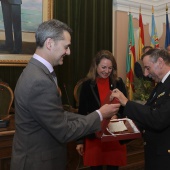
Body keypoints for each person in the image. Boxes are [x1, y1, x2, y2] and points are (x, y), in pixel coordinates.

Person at [10, 19, 120, 170]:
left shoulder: (37, 72)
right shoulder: (38, 80)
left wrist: (97, 114)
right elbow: (63, 131)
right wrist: (100, 115)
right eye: (66, 46)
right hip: (38, 162)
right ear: (50, 43)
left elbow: (58, 115)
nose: (68, 52)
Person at [111, 48, 170, 170]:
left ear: (160, 62)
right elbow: (146, 117)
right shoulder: (160, 86)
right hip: (154, 154)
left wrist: (127, 103)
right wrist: (116, 131)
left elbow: (158, 119)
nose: (145, 74)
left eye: (148, 68)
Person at [76, 50, 127, 170]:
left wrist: (116, 116)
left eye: (110, 68)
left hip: (114, 135)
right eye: (103, 67)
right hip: (95, 136)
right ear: (96, 66)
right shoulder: (87, 85)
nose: (107, 71)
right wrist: (79, 141)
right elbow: (82, 114)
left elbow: (125, 108)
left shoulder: (118, 83)